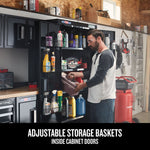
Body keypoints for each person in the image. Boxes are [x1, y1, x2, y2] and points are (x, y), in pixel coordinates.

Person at [67, 29, 116, 123]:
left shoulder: (106, 55)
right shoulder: (97, 54)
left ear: (99, 39)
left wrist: (81, 86)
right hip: (94, 98)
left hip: (104, 100)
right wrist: (77, 74)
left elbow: (98, 78)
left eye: (90, 41)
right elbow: (92, 73)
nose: (89, 44)